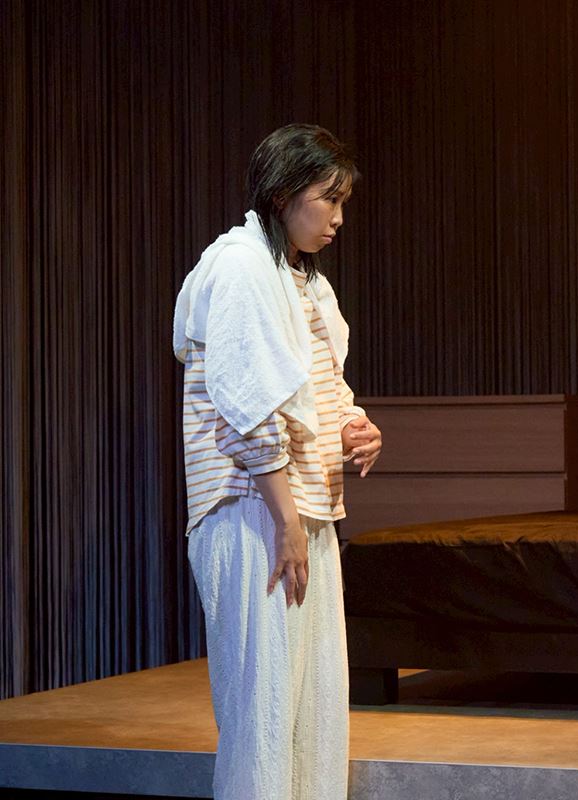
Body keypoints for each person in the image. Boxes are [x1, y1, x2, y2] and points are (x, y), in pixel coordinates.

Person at [172, 123, 382, 800]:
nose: (339, 217)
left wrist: (354, 427)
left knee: (313, 706)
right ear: (285, 194)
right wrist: (285, 521)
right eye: (329, 199)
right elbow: (248, 404)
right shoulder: (239, 267)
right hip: (252, 509)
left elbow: (320, 385)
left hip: (301, 508)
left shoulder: (302, 280)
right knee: (262, 711)